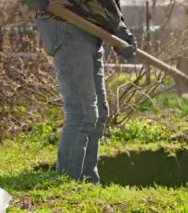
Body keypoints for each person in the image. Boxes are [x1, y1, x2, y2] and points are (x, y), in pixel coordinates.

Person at [33, 0, 137, 184]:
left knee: (99, 114)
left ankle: (88, 181)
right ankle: (67, 182)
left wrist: (119, 27)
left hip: (88, 27)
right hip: (67, 22)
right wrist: (117, 26)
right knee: (82, 113)